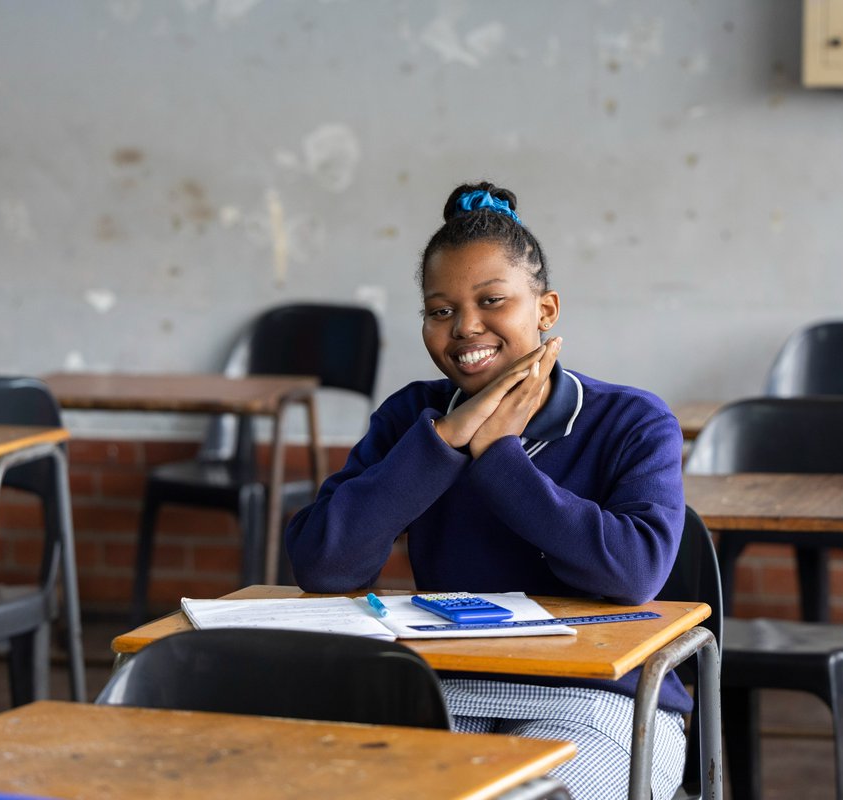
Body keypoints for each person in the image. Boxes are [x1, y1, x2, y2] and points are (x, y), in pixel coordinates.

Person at [285, 181, 688, 800]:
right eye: (440, 310)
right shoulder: (412, 419)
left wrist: (499, 459)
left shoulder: (632, 421)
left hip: (604, 701)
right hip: (441, 691)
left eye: (492, 301)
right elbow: (325, 562)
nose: (464, 329)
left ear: (546, 311)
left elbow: (633, 571)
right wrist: (445, 441)